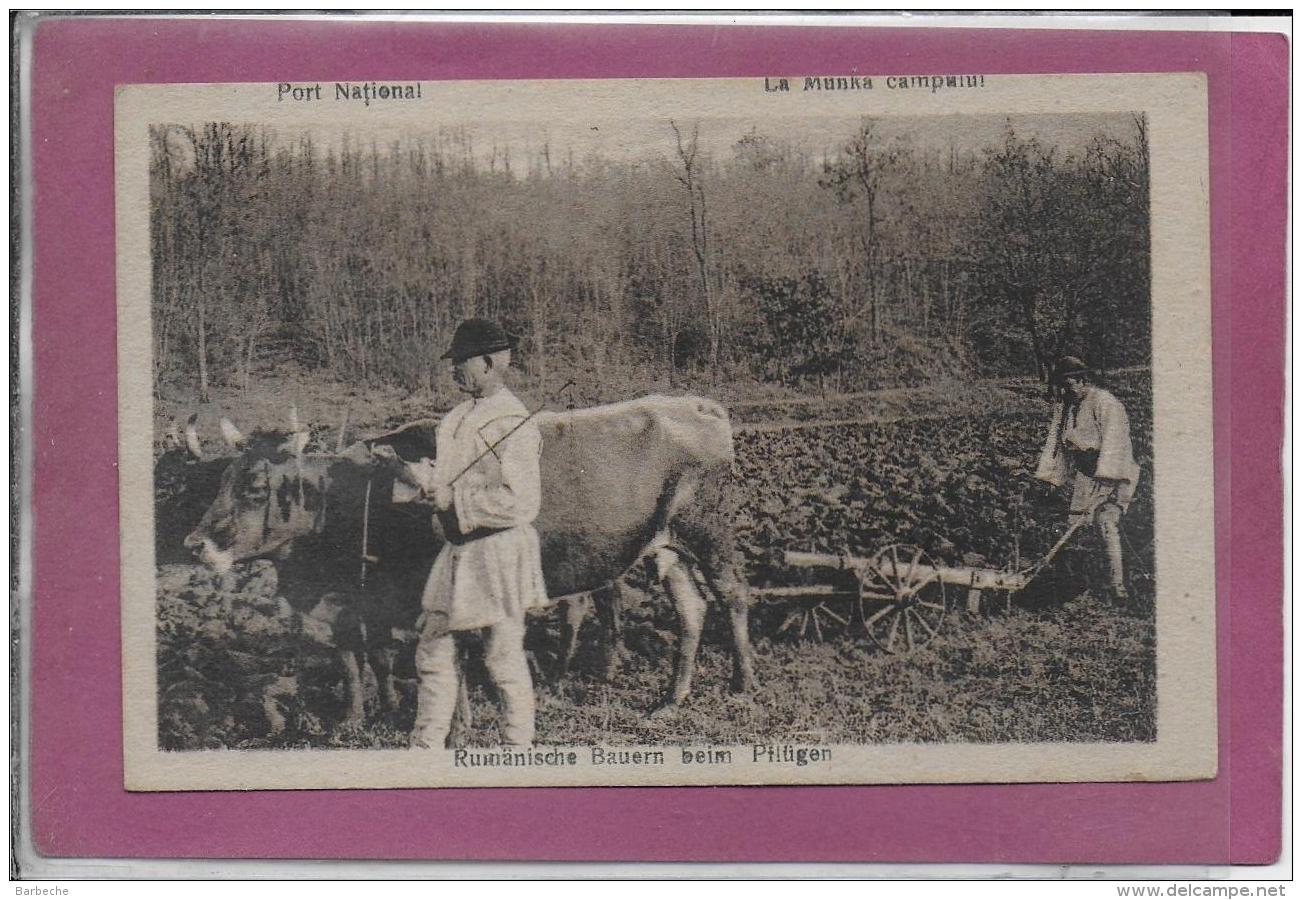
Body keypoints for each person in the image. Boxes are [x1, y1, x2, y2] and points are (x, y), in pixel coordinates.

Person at [379, 318, 548, 748]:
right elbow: (446, 479)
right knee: (433, 648)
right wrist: (409, 474)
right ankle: (426, 749)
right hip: (458, 550)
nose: (454, 370)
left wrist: (454, 502)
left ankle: (518, 748)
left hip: (498, 553)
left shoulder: (515, 423)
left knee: (502, 655)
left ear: (490, 364)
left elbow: (521, 503)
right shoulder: (455, 418)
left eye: (462, 362)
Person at [1034, 355, 1141, 606]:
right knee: (1075, 523)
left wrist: (1107, 483)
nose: (1065, 391)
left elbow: (1117, 445)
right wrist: (1052, 479)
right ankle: (1073, 582)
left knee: (1105, 522)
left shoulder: (1105, 403)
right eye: (1061, 386)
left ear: (1083, 381)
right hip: (1086, 475)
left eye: (1069, 384)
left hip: (1115, 476)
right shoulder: (1066, 408)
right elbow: (1057, 446)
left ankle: (1118, 587)